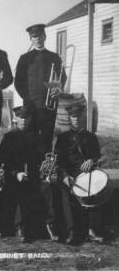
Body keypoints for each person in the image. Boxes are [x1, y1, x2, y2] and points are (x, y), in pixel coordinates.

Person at [56, 104, 104, 244]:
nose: (76, 119)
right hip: (70, 175)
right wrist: (65, 176)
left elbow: (97, 156)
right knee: (66, 192)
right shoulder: (62, 138)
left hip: (88, 174)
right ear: (69, 118)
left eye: (78, 116)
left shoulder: (91, 137)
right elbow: (58, 162)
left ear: (83, 117)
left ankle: (92, 230)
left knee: (96, 189)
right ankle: (71, 231)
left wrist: (91, 160)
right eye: (73, 116)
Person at [14, 23, 66, 153]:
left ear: (45, 36)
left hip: (49, 106)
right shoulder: (24, 58)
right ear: (31, 39)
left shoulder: (54, 57)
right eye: (34, 36)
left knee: (47, 140)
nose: (37, 38)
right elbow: (18, 83)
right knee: (30, 140)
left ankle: (46, 171)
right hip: (31, 107)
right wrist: (27, 99)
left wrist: (58, 89)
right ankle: (32, 172)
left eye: (40, 35)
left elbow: (61, 78)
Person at [0, 106, 47, 242]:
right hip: (14, 175)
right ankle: (20, 227)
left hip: (33, 173)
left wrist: (42, 170)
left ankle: (46, 226)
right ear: (15, 119)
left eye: (27, 118)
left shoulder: (37, 137)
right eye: (21, 118)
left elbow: (42, 157)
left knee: (42, 189)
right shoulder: (9, 137)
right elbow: (4, 161)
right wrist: (16, 173)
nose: (24, 121)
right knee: (19, 189)